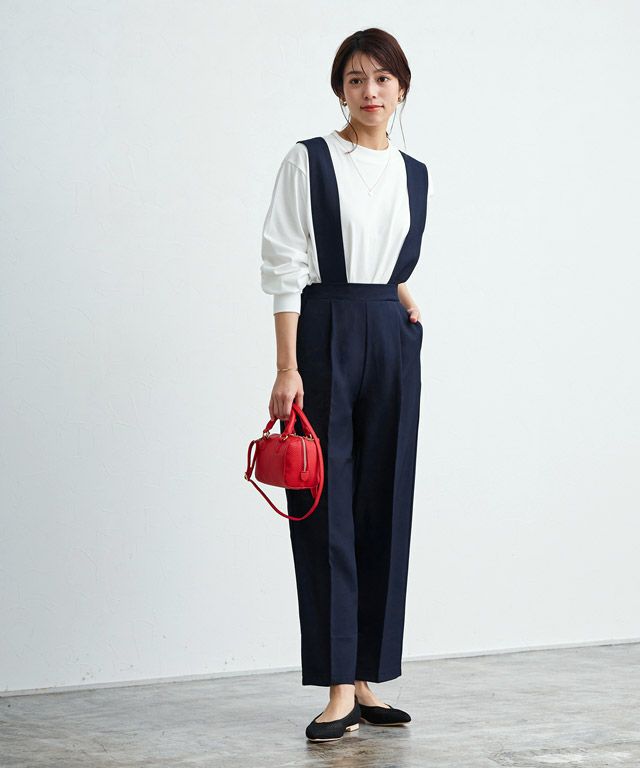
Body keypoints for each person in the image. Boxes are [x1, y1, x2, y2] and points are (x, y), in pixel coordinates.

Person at [260, 27, 429, 742]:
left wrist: (405, 299)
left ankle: (367, 678)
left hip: (389, 334)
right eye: (356, 79)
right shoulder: (309, 159)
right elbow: (285, 264)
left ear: (401, 89)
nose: (370, 91)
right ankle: (336, 686)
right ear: (340, 90)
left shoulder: (415, 172)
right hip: (325, 330)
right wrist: (287, 365)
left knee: (384, 502)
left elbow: (388, 255)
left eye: (382, 78)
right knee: (324, 504)